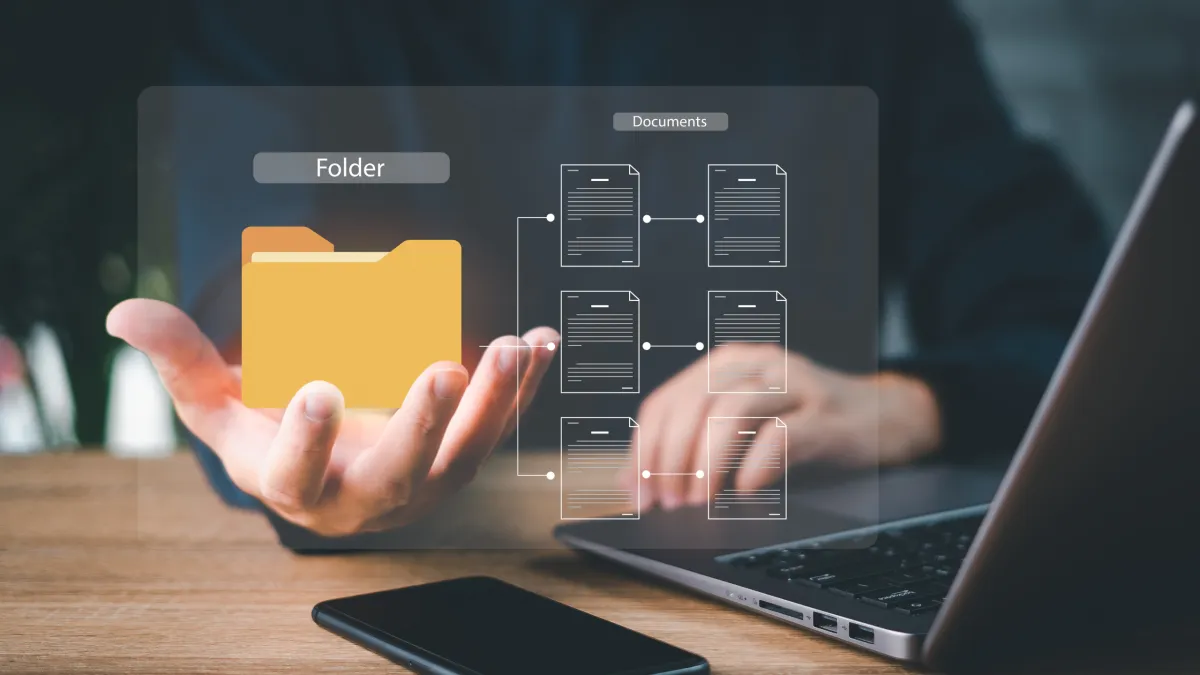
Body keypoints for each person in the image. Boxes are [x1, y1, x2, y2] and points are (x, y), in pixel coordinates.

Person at [107, 0, 1107, 542]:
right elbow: (247, 299)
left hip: (785, 577)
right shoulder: (284, 25)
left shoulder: (873, 23)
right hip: (413, 597)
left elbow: (1084, 320)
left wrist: (907, 403)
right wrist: (288, 437)